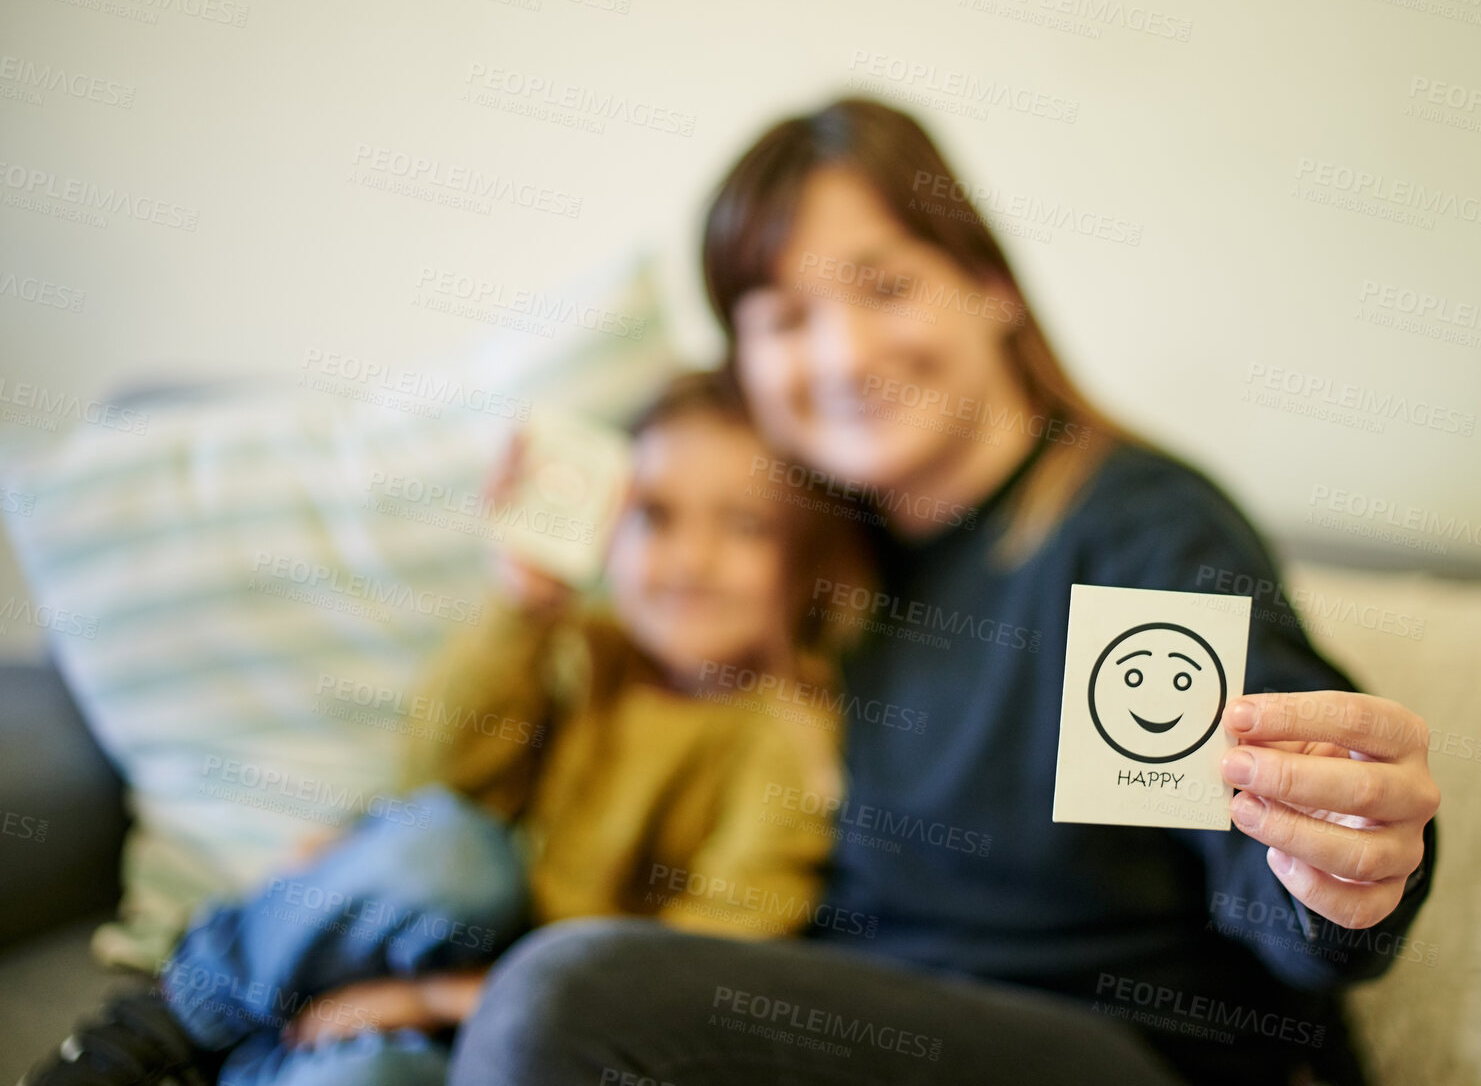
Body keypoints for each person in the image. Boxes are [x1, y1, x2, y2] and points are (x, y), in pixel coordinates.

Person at [445, 99, 1442, 1086]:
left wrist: (1343, 872)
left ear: (989, 286)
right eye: (786, 318)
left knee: (560, 998)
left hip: (1110, 1053)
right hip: (833, 1032)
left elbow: (1274, 880)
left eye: (883, 286)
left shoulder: (1126, 534)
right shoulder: (813, 564)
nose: (842, 355)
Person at [24, 370, 863, 1086]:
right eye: (656, 515)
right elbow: (441, 774)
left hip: (515, 1019)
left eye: (744, 525)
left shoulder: (781, 739)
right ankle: (175, 1017)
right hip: (435, 923)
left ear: (808, 561)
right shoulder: (580, 646)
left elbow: (703, 962)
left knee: (370, 1073)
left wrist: (435, 1002)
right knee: (450, 849)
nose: (689, 559)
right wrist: (522, 609)